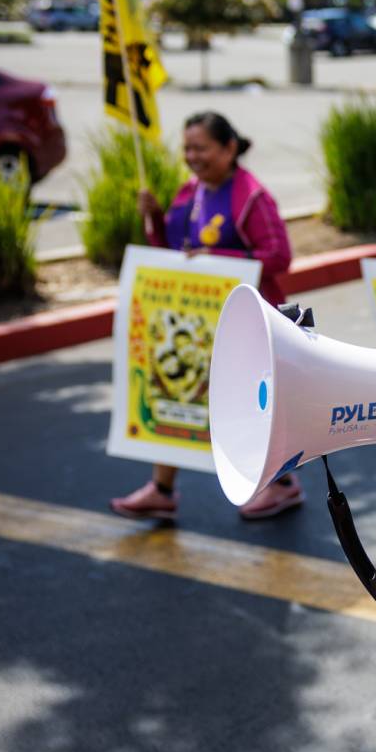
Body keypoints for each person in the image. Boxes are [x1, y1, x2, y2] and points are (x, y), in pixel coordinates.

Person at [111, 112, 297, 522]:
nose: (192, 157)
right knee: (176, 393)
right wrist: (154, 218)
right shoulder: (189, 192)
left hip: (251, 323)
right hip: (201, 322)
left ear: (229, 148)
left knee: (257, 403)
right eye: (187, 149)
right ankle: (162, 490)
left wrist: (218, 257)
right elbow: (176, 252)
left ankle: (283, 484)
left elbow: (279, 256)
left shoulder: (251, 196)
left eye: (201, 148)